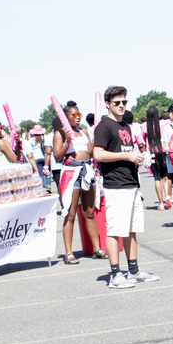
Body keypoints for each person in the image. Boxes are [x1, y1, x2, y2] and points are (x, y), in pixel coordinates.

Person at [93, 85, 159, 289]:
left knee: (132, 229)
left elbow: (124, 152)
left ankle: (134, 270)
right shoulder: (104, 126)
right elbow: (98, 154)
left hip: (131, 183)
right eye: (117, 103)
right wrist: (126, 155)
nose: (121, 106)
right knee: (115, 230)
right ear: (107, 104)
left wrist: (137, 159)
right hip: (116, 186)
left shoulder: (125, 126)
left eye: (124, 102)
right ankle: (115, 275)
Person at [54, 100, 107, 264]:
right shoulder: (60, 133)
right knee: (70, 214)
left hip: (86, 171)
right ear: (66, 117)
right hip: (71, 172)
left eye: (79, 115)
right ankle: (68, 253)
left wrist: (95, 139)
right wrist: (68, 142)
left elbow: (90, 153)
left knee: (89, 213)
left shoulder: (84, 131)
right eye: (74, 115)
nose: (78, 118)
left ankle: (96, 248)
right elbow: (57, 156)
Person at [144, 106, 171, 211]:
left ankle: (161, 204)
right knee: (165, 176)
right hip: (163, 151)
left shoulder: (145, 126)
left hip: (152, 152)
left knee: (156, 178)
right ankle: (167, 196)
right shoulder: (164, 123)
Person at [29, 125, 52, 191]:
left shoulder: (31, 140)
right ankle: (48, 185)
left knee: (41, 174)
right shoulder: (45, 139)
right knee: (47, 172)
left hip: (36, 158)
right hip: (45, 158)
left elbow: (30, 151)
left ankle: (43, 187)